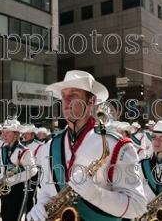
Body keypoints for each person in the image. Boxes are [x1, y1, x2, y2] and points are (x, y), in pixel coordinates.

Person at [27, 70, 148, 221]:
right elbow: (45, 190)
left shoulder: (115, 144)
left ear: (91, 101)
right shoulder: (50, 146)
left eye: (74, 94)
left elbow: (137, 206)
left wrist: (95, 194)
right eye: (63, 95)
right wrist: (40, 205)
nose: (66, 100)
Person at [0, 122, 37, 221]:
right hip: (5, 189)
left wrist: (14, 178)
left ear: (16, 134)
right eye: (3, 132)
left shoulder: (24, 151)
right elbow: (3, 170)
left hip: (18, 190)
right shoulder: (3, 149)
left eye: (8, 132)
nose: (4, 135)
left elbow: (33, 171)